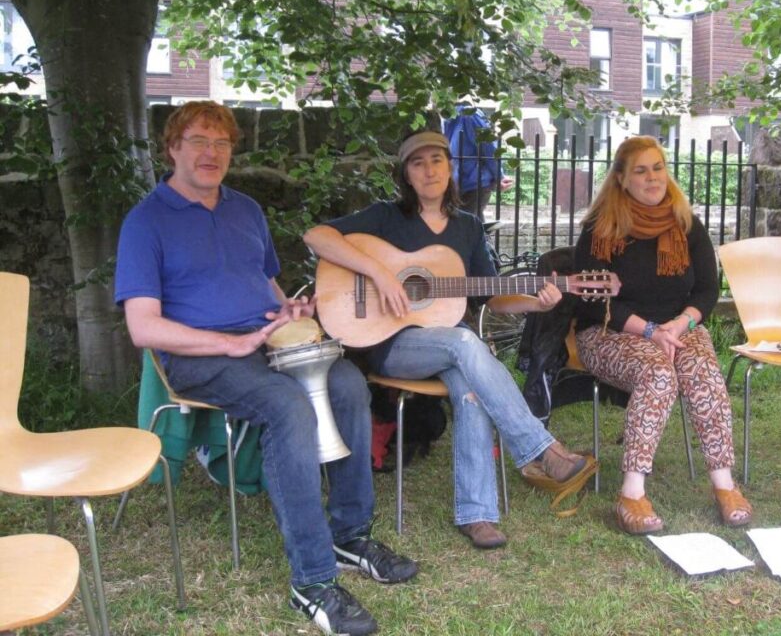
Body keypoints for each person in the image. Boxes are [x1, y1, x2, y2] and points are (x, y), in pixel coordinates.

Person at [114, 101, 416, 636]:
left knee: (347, 384)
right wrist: (226, 345)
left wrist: (288, 311)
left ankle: (349, 534)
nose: (211, 153)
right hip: (200, 358)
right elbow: (144, 327)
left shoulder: (245, 209)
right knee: (287, 406)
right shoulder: (146, 221)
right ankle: (313, 580)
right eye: (198, 141)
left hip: (267, 342)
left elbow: (266, 284)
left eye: (222, 142)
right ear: (172, 149)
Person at [303, 130, 596, 550]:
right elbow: (316, 237)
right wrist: (380, 272)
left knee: (471, 387)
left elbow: (492, 297)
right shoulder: (387, 218)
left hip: (452, 349)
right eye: (418, 163)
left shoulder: (468, 228)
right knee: (464, 344)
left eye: (436, 160)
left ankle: (477, 514)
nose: (429, 170)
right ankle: (539, 449)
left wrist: (538, 304)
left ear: (450, 167)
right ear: (406, 173)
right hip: (392, 345)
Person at [573, 136, 752, 535]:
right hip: (611, 332)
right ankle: (631, 494)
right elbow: (591, 302)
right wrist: (650, 331)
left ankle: (724, 485)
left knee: (704, 372)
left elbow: (707, 289)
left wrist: (681, 324)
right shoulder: (600, 229)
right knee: (657, 373)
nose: (653, 177)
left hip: (677, 326)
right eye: (641, 170)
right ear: (621, 178)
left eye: (658, 167)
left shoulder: (684, 221)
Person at [443, 105, 514, 219]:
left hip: (466, 182)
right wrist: (499, 176)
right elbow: (488, 147)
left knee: (468, 225)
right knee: (470, 226)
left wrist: (499, 176)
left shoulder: (452, 117)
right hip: (472, 181)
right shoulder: (469, 115)